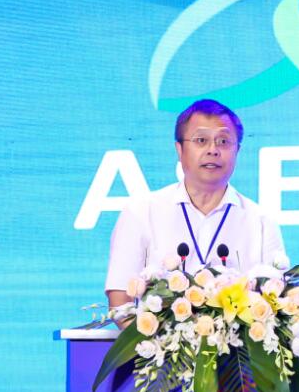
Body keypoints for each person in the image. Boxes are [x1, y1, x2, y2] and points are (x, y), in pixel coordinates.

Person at [104, 99, 285, 315]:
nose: (213, 150)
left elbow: (277, 303)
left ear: (237, 150)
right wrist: (157, 338)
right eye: (201, 140)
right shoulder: (141, 212)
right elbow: (120, 301)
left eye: (223, 141)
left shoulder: (261, 222)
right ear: (179, 149)